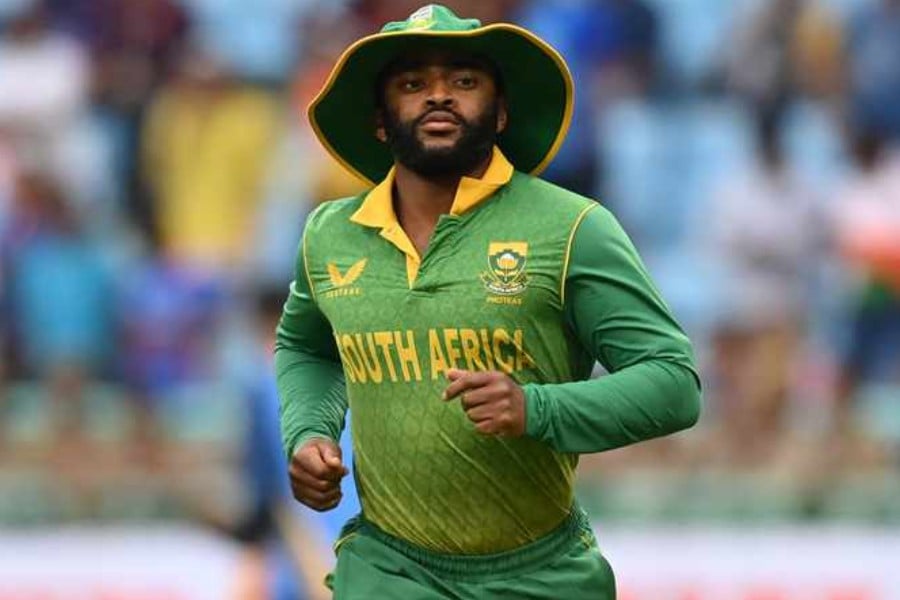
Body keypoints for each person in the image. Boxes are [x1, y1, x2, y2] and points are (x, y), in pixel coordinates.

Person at [275, 5, 701, 599]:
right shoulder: (329, 235)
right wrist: (309, 432)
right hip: (389, 569)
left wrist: (534, 408)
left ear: (501, 112)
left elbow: (674, 385)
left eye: (464, 81)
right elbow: (306, 346)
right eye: (412, 84)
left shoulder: (572, 228)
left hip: (541, 574)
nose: (438, 96)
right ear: (379, 120)